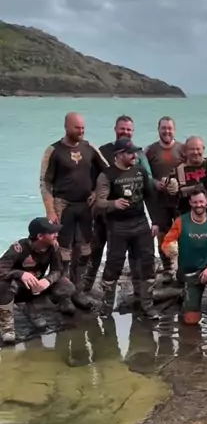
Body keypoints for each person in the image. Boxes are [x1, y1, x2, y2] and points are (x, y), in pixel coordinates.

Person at [84, 114, 153, 294]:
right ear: (115, 129)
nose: (125, 132)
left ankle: (138, 293)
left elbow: (148, 180)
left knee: (135, 255)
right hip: (103, 215)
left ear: (133, 131)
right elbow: (91, 178)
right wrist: (95, 194)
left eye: (129, 129)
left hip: (131, 217)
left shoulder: (139, 155)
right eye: (122, 128)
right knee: (97, 251)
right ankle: (86, 289)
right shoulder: (103, 151)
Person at [39, 112, 108, 291]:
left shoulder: (89, 147)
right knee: (62, 245)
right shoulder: (54, 150)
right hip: (62, 204)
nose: (81, 131)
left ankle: (79, 285)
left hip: (85, 204)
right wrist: (49, 210)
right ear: (66, 127)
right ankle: (62, 283)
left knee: (85, 246)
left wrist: (97, 192)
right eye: (77, 128)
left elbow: (108, 171)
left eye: (83, 128)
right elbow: (45, 181)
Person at [94, 139, 159, 319]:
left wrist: (155, 221)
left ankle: (147, 304)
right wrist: (113, 203)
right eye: (131, 153)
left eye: (136, 152)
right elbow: (98, 203)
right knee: (113, 265)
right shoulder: (106, 175)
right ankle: (106, 306)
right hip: (118, 226)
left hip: (140, 222)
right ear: (119, 154)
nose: (135, 156)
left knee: (147, 262)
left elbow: (150, 197)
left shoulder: (140, 171)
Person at [161, 185, 207, 326]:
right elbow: (167, 241)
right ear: (190, 203)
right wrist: (168, 248)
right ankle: (186, 298)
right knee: (191, 320)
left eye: (201, 201)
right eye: (195, 202)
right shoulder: (181, 221)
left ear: (206, 201)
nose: (198, 205)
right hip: (190, 273)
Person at [0, 217, 78, 344]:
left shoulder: (53, 246)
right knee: (3, 285)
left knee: (66, 286)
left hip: (37, 286)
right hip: (17, 287)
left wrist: (47, 281)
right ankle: (7, 327)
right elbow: (1, 269)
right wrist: (20, 274)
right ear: (40, 236)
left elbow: (58, 270)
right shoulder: (19, 247)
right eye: (52, 232)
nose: (56, 235)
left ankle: (46, 305)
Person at [145, 117, 185, 280]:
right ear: (158, 129)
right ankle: (167, 268)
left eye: (169, 128)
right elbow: (144, 173)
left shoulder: (182, 148)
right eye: (163, 128)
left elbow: (192, 168)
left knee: (182, 233)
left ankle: (183, 266)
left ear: (174, 130)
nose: (167, 131)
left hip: (179, 200)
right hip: (159, 201)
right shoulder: (150, 150)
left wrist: (180, 185)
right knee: (162, 234)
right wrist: (155, 183)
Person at [175, 136, 207, 218]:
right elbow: (172, 195)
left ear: (203, 149)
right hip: (187, 218)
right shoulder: (178, 171)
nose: (195, 152)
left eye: (198, 149)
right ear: (185, 151)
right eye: (192, 149)